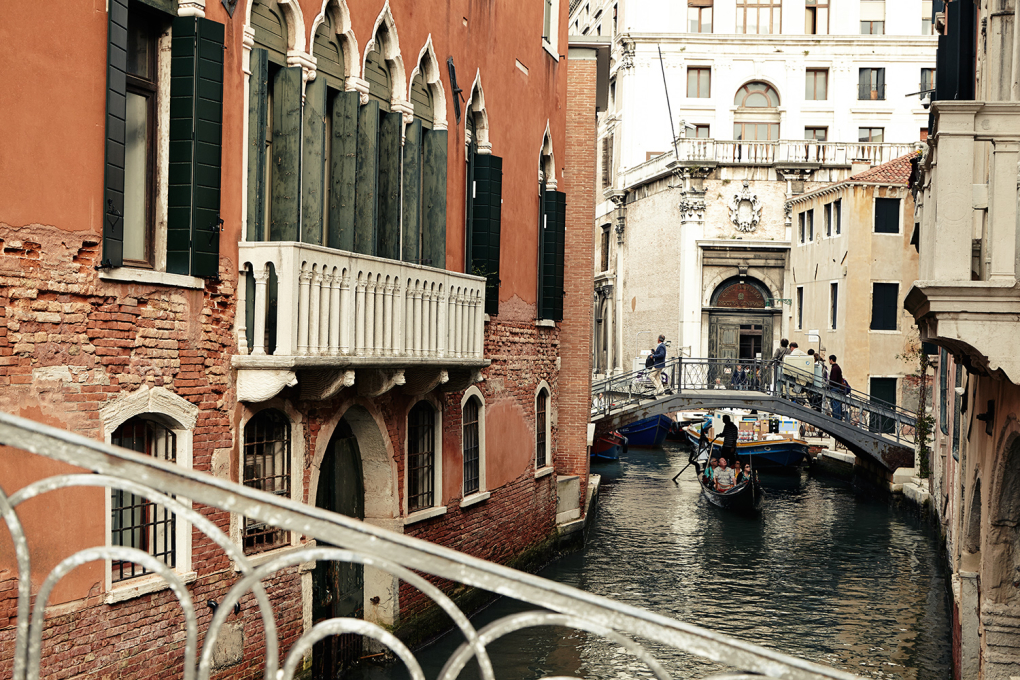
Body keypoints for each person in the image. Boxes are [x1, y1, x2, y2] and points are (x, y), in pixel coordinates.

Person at [828, 355, 844, 420]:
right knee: (837, 402)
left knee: (835, 403)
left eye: (829, 360)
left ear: (831, 360)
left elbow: (833, 379)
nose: (829, 361)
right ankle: (838, 417)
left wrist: (829, 385)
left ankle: (836, 417)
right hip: (838, 387)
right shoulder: (837, 367)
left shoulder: (834, 368)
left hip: (834, 388)